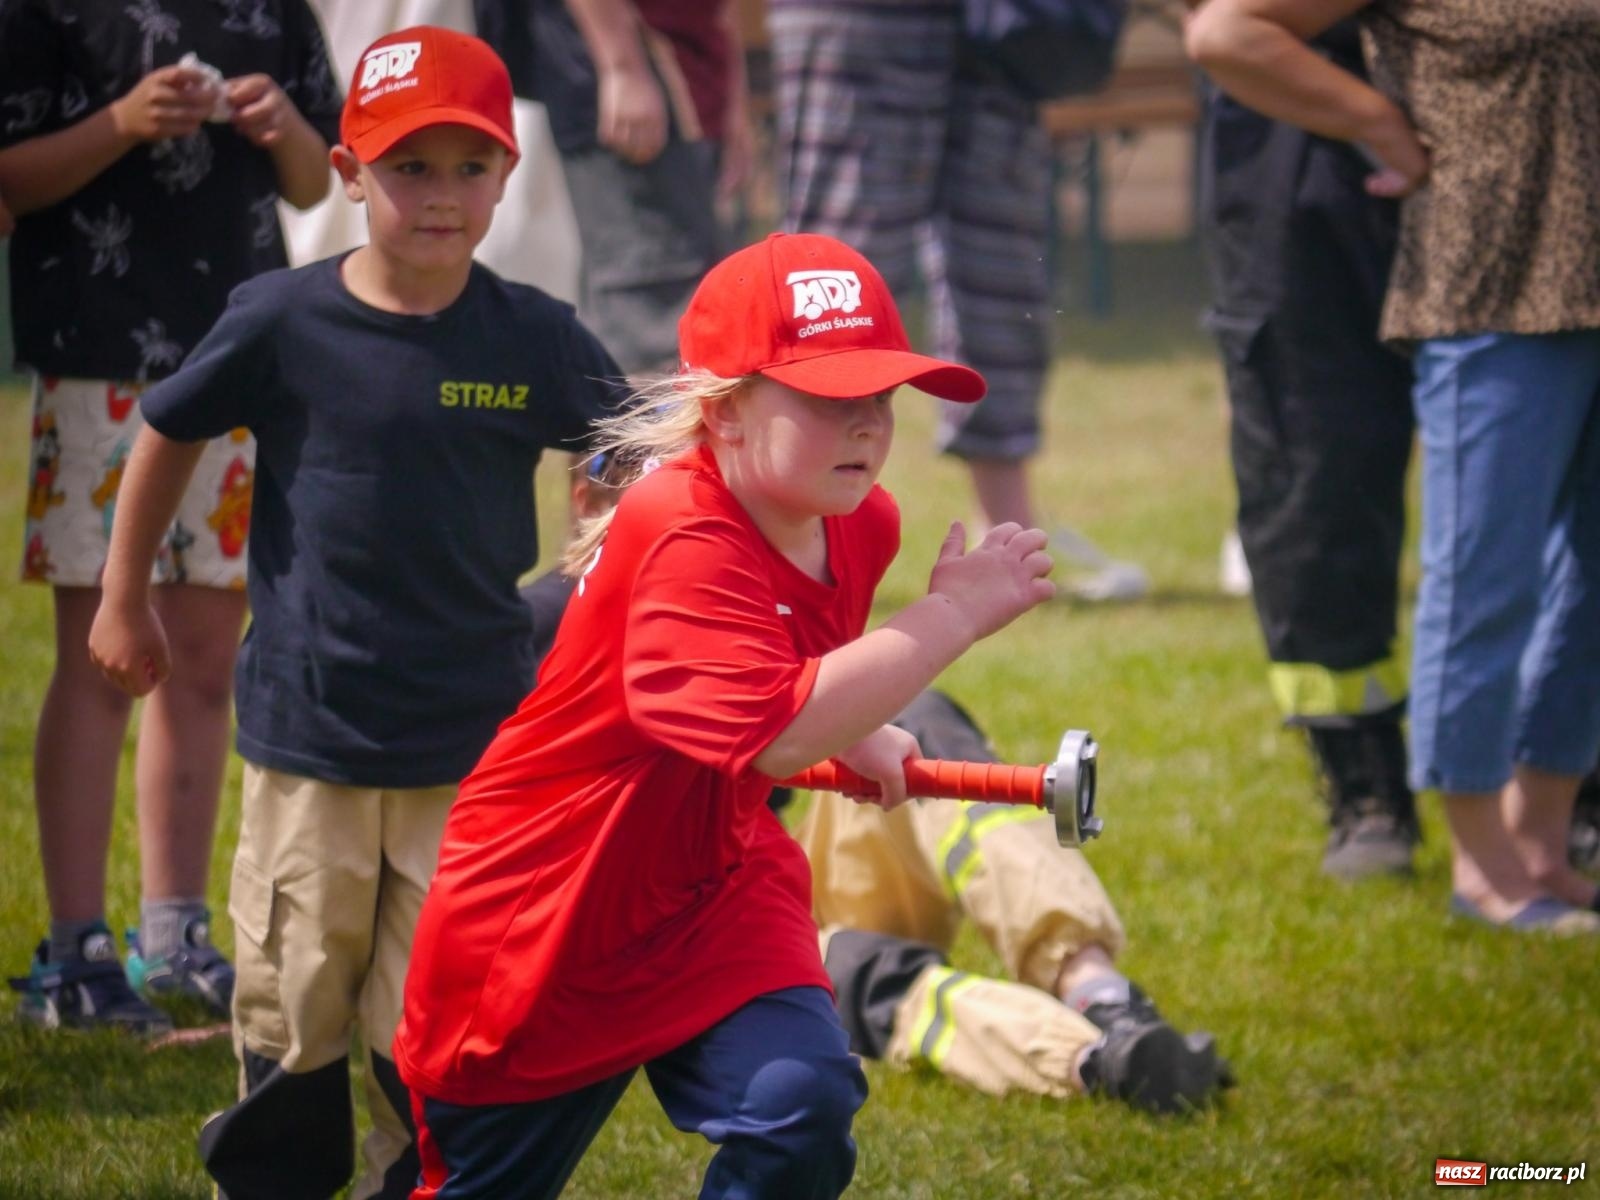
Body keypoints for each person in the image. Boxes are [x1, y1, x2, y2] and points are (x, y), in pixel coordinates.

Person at [395, 231, 1055, 1198]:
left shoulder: (860, 522)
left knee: (802, 1103)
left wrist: (862, 728)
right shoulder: (676, 525)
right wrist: (951, 613)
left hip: (712, 883)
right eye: (830, 397)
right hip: (554, 910)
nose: (867, 424)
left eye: (880, 396)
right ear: (726, 411)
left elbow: (781, 673)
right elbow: (778, 726)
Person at [87, 27, 626, 1199]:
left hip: (467, 750)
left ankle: (411, 1185)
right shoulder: (284, 320)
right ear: (346, 170)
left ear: (506, 173)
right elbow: (167, 432)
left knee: (433, 1023)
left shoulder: (532, 336)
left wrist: (602, 544)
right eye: (408, 168)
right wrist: (127, 597)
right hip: (310, 748)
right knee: (293, 1010)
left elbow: (630, 448)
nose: (440, 197)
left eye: (467, 167)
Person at [522, 452, 1231, 1117]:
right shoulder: (540, 624)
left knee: (914, 720)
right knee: (863, 972)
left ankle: (1100, 989)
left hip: (778, 862)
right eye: (655, 478)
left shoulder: (754, 566)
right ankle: (1098, 1059)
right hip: (673, 916)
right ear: (588, 497)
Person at [1187, 0, 1600, 933]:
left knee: (1592, 578)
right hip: (1493, 278)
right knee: (1474, 568)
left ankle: (1542, 839)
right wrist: (1377, 119)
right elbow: (1224, 30)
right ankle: (1475, 858)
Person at [1, 0, 340, 1036]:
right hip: (98, 358)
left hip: (237, 363)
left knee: (200, 660)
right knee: (102, 658)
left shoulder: (277, 6)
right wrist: (126, 121)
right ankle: (74, 950)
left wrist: (282, 123)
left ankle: (176, 934)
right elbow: (10, 175)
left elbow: (318, 177)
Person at [768, 0, 1149, 602]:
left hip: (998, 26)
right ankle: (794, 544)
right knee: (836, 285)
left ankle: (1011, 541)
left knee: (1001, 272)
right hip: (863, 20)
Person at [1191, 19, 1419, 880]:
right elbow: (1214, 24)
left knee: (1547, 462)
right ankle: (1362, 780)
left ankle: (1567, 776)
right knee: (1313, 468)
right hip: (1288, 116)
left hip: (1506, 109)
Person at [531, 0, 750, 376]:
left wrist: (735, 104)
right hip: (627, 88)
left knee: (702, 315)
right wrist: (622, 66)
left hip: (693, 83)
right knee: (652, 333)